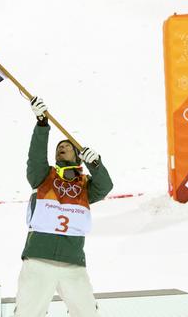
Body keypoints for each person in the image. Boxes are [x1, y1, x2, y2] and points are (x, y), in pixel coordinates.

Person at [14, 97, 113, 317]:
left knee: (87, 313)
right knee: (28, 312)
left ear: (78, 156)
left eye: (67, 146)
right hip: (38, 260)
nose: (62, 148)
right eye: (59, 147)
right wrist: (42, 124)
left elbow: (105, 186)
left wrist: (95, 164)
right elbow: (36, 156)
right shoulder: (43, 176)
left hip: (73, 264)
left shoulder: (86, 185)